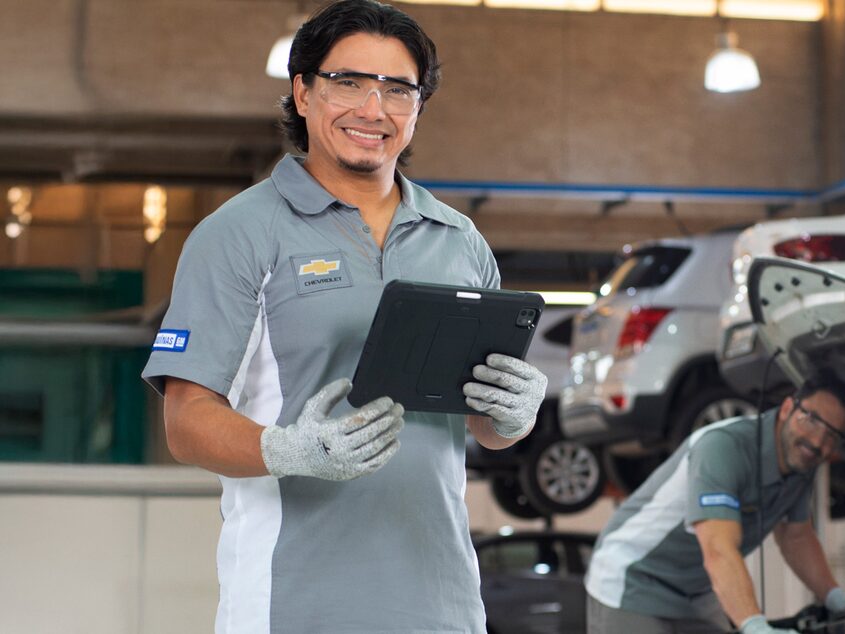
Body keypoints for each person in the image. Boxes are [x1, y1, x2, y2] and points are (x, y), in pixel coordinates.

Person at [141, 2, 545, 632]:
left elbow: (482, 426)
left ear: (419, 106)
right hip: (291, 601)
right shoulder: (239, 234)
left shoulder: (459, 241)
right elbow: (185, 421)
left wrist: (513, 415)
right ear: (303, 93)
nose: (373, 109)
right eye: (347, 82)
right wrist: (288, 449)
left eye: (397, 89)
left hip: (442, 603)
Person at [585, 376, 845, 634]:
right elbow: (719, 549)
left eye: (832, 435)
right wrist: (755, 626)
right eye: (811, 420)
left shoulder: (802, 463)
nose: (817, 441)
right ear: (787, 408)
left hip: (696, 592)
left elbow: (796, 537)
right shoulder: (723, 447)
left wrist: (834, 596)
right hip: (634, 580)